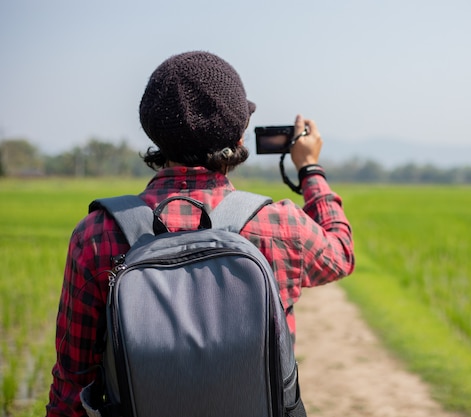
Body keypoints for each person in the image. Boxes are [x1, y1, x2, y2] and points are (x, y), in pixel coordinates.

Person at [46, 50, 355, 417]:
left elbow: (72, 383)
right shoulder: (277, 224)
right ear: (240, 137)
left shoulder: (97, 234)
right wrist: (310, 169)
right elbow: (341, 253)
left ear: (154, 133)